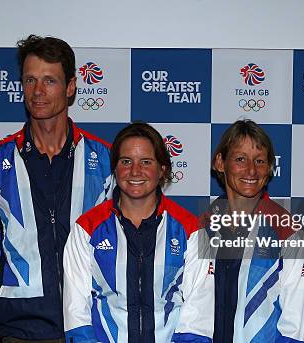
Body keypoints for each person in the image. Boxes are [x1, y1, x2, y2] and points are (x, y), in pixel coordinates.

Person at [0, 35, 113, 342]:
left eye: (49, 80)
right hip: (20, 327)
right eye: (30, 80)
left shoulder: (105, 160)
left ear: (71, 87)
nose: (38, 91)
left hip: (90, 322)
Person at [63, 122, 214, 342]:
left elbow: (199, 309)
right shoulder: (86, 229)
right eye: (126, 162)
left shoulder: (190, 230)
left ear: (162, 169)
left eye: (146, 162)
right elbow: (76, 311)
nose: (135, 171)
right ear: (115, 167)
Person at [208, 119, 304, 342]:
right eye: (240, 159)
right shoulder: (202, 227)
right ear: (220, 163)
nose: (251, 170)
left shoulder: (287, 231)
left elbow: (296, 324)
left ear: (270, 168)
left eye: (260, 161)